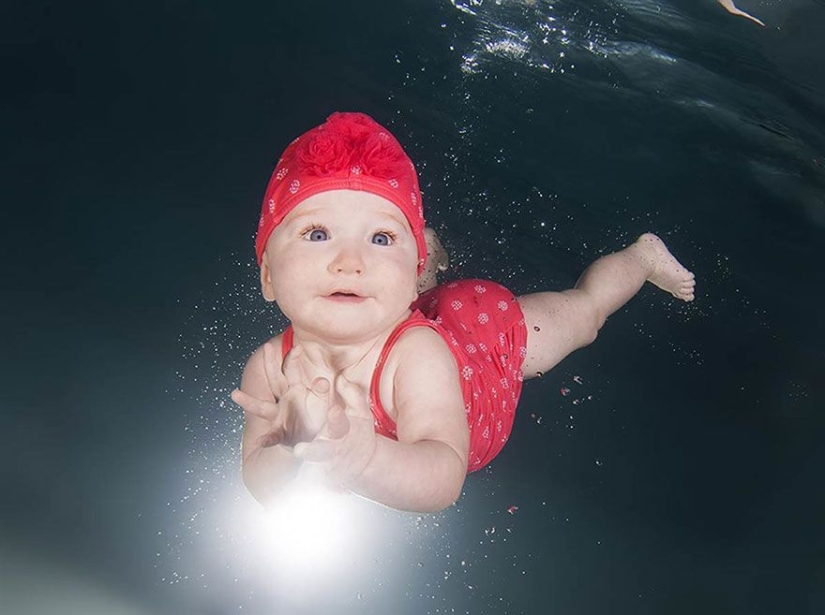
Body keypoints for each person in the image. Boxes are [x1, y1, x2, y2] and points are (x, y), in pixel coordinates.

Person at [231, 112, 696, 513]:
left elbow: (445, 475)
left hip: (484, 342)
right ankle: (416, 255)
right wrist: (289, 447)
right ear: (268, 275)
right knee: (387, 292)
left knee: (585, 316)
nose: (349, 261)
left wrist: (363, 457)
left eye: (379, 238)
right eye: (317, 234)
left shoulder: (416, 353)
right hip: (411, 303)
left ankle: (642, 257)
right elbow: (262, 483)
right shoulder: (271, 368)